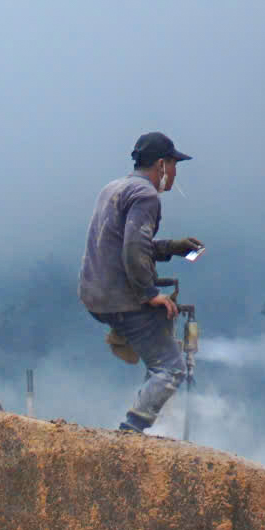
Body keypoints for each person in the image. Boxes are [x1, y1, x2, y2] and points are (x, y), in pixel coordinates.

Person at [77, 131, 202, 433]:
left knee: (159, 353)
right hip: (119, 297)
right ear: (161, 165)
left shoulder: (113, 188)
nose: (174, 174)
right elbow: (133, 248)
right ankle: (130, 432)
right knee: (172, 368)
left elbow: (123, 243)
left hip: (94, 293)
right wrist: (149, 293)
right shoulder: (146, 196)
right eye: (173, 165)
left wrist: (171, 247)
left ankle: (136, 424)